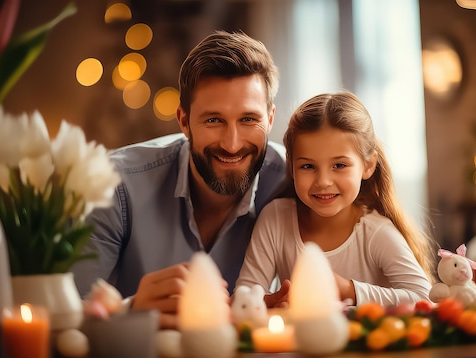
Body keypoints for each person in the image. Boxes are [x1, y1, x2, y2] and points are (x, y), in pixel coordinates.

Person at [71, 30, 287, 329]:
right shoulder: (111, 183)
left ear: (270, 118)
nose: (232, 144)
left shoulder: (296, 182)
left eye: (249, 119)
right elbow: (66, 318)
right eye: (214, 120)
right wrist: (131, 309)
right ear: (184, 121)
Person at [235, 92, 435, 308]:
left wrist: (348, 290)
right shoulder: (275, 219)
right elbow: (244, 295)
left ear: (368, 165)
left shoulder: (376, 232)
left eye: (339, 165)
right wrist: (270, 302)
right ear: (291, 166)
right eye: (308, 166)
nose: (323, 181)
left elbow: (425, 298)